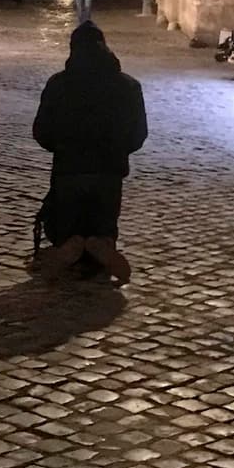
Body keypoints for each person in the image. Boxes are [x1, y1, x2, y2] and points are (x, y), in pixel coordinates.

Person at [32, 22, 148, 283]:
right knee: (104, 218)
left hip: (68, 169)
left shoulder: (58, 84)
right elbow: (138, 133)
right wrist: (119, 150)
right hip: (110, 171)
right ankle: (101, 241)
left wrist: (61, 147)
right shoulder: (128, 86)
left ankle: (70, 242)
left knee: (65, 215)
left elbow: (41, 130)